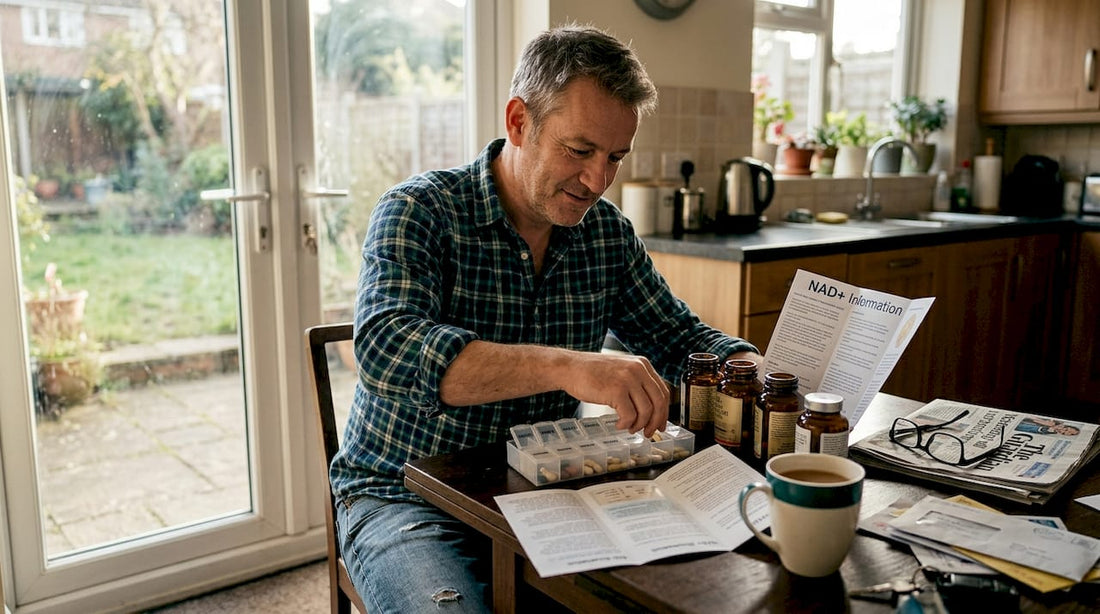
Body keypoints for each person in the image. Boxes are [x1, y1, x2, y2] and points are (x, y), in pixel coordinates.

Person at [329, 24, 762, 612]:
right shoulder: (419, 209)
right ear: (518, 122)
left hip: (544, 492)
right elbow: (389, 353)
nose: (598, 180)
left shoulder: (605, 233)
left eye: (615, 157)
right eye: (579, 151)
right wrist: (569, 367)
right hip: (402, 497)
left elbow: (677, 335)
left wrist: (747, 363)